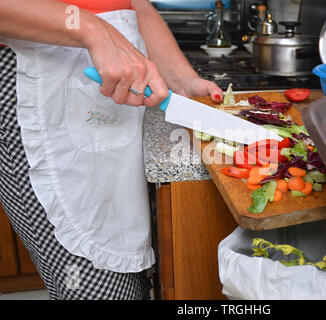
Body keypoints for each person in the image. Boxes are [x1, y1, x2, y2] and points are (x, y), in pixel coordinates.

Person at [0, 0, 223, 299]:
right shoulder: (90, 31)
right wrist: (91, 27)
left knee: (133, 281)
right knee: (99, 287)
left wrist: (183, 82)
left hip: (113, 101)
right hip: (42, 86)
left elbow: (136, 5)